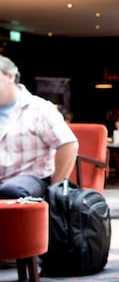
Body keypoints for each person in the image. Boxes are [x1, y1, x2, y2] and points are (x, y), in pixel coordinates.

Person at [0, 54, 79, 200]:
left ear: (10, 76)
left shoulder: (39, 108)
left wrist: (55, 188)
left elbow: (68, 144)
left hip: (29, 178)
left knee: (10, 191)